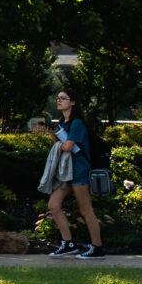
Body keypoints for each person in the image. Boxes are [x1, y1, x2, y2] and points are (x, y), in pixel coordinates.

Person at [42, 85, 105, 259]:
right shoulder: (63, 123)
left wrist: (59, 144)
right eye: (58, 98)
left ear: (73, 102)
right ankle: (68, 243)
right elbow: (61, 144)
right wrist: (52, 135)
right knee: (54, 205)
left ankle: (97, 247)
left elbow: (68, 147)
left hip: (79, 170)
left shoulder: (77, 123)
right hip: (67, 172)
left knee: (86, 209)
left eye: (63, 98)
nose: (59, 101)